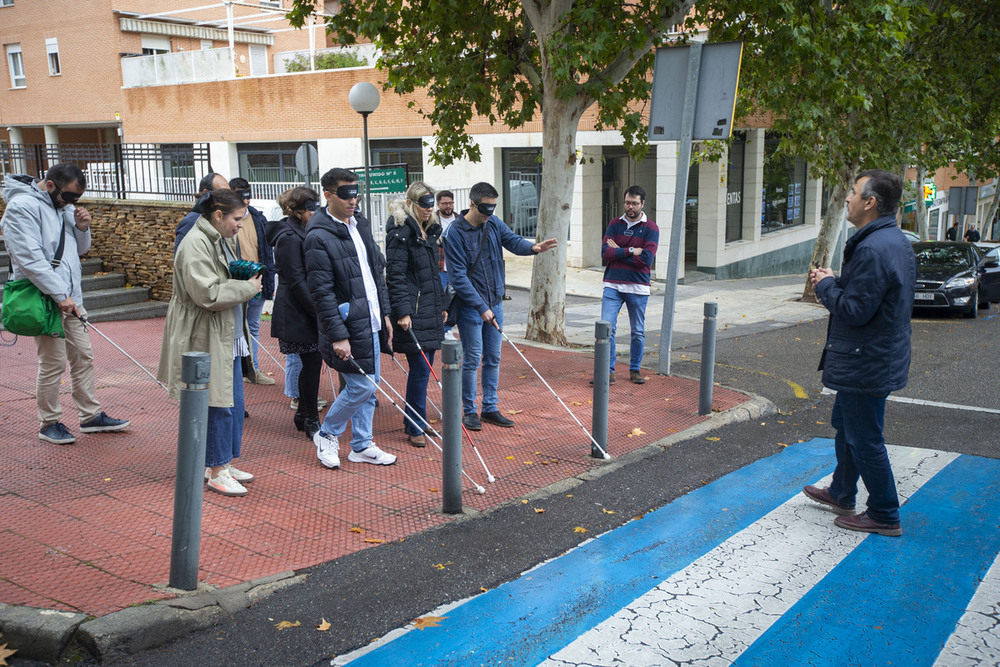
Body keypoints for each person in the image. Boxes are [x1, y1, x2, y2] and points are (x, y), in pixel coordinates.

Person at [804, 169, 916, 537]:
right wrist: (838, 280)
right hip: (872, 356)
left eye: (853, 193)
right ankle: (841, 491)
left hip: (866, 360)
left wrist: (825, 286)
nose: (847, 199)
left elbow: (854, 310)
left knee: (865, 437)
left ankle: (884, 513)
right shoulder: (890, 241)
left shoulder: (873, 248)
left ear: (870, 202)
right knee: (846, 427)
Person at [1, 163, 131, 445]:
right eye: (70, 197)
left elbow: (80, 249)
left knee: (84, 356)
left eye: (77, 199)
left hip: (72, 298)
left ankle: (90, 415)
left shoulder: (63, 207)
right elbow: (30, 260)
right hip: (46, 299)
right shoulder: (21, 208)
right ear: (50, 186)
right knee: (53, 362)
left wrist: (82, 227)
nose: (72, 204)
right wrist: (60, 296)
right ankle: (49, 422)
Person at [158, 189, 262, 497]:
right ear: (218, 215)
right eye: (237, 218)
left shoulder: (216, 237)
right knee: (218, 402)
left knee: (232, 400)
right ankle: (217, 469)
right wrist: (246, 287)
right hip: (205, 330)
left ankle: (222, 463)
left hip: (224, 330)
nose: (241, 225)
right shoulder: (196, 242)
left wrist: (241, 283)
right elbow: (208, 294)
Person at [443, 182, 557, 431]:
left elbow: (512, 240)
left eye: (493, 208)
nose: (489, 214)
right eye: (485, 208)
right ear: (472, 203)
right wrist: (481, 307)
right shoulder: (455, 233)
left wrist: (533, 248)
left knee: (493, 357)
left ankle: (490, 408)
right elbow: (459, 278)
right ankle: (469, 410)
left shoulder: (493, 223)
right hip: (472, 306)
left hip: (495, 301)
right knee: (473, 357)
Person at [305, 168, 397, 469]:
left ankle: (361, 445)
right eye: (345, 193)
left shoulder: (361, 225)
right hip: (347, 324)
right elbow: (321, 292)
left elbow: (375, 274)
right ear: (328, 195)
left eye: (355, 192)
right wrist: (337, 335)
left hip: (369, 319)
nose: (353, 199)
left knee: (370, 386)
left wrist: (384, 313)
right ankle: (328, 434)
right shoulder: (318, 235)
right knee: (363, 387)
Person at [385, 182, 445, 447]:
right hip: (413, 311)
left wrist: (442, 304)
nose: (428, 209)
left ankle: (416, 421)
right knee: (420, 369)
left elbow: (433, 274)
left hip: (430, 309)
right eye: (424, 205)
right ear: (411, 203)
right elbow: (395, 275)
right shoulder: (401, 230)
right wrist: (402, 311)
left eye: (431, 205)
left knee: (426, 368)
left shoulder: (430, 229)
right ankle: (414, 424)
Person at [266, 187, 323, 440]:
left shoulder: (304, 229)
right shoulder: (288, 236)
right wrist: (316, 311)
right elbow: (296, 279)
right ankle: (309, 417)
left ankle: (304, 414)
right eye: (311, 208)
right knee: (311, 362)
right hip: (297, 310)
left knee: (311, 363)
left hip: (304, 307)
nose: (316, 212)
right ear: (299, 210)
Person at [596, 185, 659, 385]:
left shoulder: (651, 229)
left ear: (642, 204)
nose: (630, 207)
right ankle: (608, 371)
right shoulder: (615, 224)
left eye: (634, 203)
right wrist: (632, 250)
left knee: (638, 331)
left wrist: (619, 252)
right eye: (627, 202)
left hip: (638, 287)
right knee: (607, 328)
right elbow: (605, 254)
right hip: (612, 285)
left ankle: (635, 370)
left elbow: (647, 260)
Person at [229, 177, 276, 386]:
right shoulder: (228, 219)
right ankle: (237, 372)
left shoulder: (258, 218)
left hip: (257, 278)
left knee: (254, 326)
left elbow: (267, 251)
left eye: (247, 196)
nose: (246, 201)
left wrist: (268, 278)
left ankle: (253, 369)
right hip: (236, 281)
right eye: (241, 196)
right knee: (234, 328)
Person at [174, 172, 228, 253]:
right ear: (206, 192)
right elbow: (182, 259)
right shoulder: (191, 222)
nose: (228, 198)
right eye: (223, 192)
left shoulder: (223, 219)